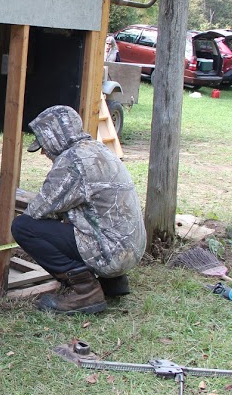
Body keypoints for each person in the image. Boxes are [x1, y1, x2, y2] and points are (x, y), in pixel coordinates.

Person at [11, 105, 146, 315]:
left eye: (44, 145)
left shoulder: (73, 162)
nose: (44, 152)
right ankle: (113, 283)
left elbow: (38, 211)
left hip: (111, 253)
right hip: (130, 249)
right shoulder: (98, 149)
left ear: (55, 137)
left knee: (23, 227)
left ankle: (85, 291)